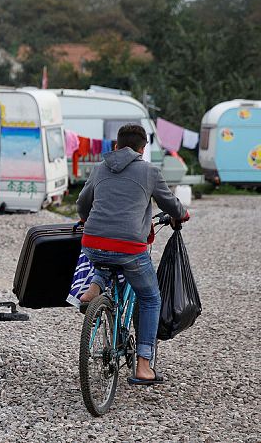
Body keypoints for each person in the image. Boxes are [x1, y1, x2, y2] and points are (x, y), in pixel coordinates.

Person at [76, 124, 189, 386]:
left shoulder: (100, 168)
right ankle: (144, 366)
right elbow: (170, 203)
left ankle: (95, 287)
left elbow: (83, 203)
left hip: (92, 242)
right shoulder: (149, 171)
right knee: (150, 298)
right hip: (129, 249)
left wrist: (85, 220)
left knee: (105, 257)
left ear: (116, 146)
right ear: (142, 149)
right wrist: (181, 214)